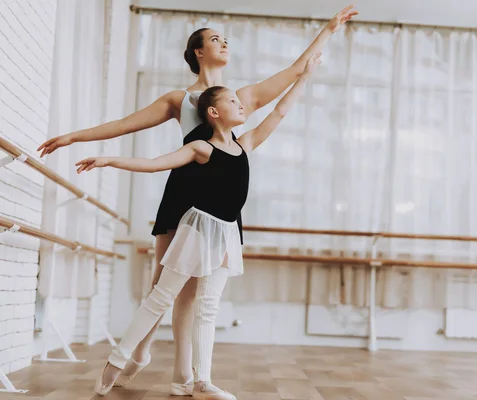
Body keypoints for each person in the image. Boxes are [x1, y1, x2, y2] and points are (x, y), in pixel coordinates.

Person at [36, 5, 357, 396]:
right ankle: (141, 352)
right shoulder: (180, 99)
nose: (224, 43)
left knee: (196, 294)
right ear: (198, 52)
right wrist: (73, 137)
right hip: (183, 191)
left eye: (226, 39)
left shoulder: (239, 99)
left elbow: (296, 72)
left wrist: (328, 29)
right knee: (163, 285)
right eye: (215, 39)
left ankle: (183, 376)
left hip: (219, 202)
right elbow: (123, 124)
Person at [78, 51, 321, 398]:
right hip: (196, 230)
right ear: (213, 112)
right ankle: (115, 362)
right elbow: (155, 163)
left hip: (227, 232)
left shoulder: (246, 143)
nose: (241, 104)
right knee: (161, 297)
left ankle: (202, 380)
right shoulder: (200, 148)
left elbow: (280, 111)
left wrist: (306, 76)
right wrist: (109, 159)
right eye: (233, 101)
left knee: (208, 307)